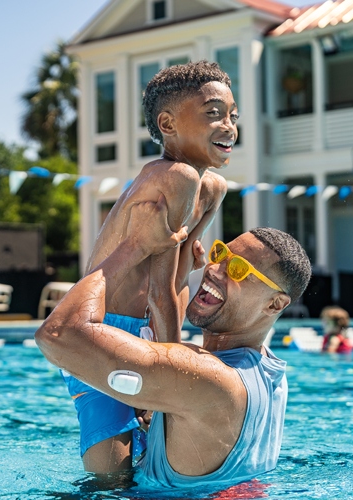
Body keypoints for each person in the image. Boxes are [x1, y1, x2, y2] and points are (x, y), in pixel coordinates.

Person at [35, 198, 312, 492]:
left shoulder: (210, 378)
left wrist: (133, 246)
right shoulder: (270, 375)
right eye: (221, 253)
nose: (216, 270)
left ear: (275, 304)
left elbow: (59, 334)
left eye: (239, 270)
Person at [62, 60, 238, 473]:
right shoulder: (173, 177)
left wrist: (168, 348)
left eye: (232, 114)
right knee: (112, 477)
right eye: (213, 114)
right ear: (168, 123)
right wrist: (171, 373)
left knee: (146, 468)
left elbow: (172, 283)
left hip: (145, 331)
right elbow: (159, 292)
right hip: (100, 333)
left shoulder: (210, 186)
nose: (229, 125)